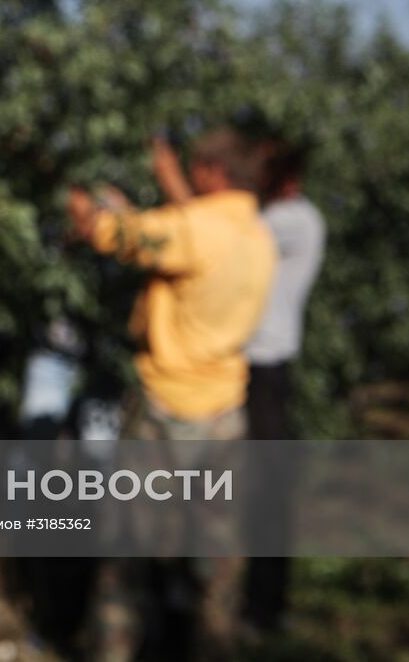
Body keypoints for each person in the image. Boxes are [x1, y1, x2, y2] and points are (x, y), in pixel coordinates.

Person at [68, 127, 277, 662]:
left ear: (210, 172)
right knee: (217, 564)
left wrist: (75, 189)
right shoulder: (258, 235)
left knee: (126, 557)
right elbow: (186, 231)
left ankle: (113, 650)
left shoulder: (193, 229)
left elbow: (108, 233)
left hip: (165, 411)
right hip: (226, 413)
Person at [242, 137, 325, 631]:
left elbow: (225, 234)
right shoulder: (281, 218)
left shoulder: (290, 221)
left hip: (265, 370)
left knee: (265, 487)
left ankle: (264, 606)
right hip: (258, 369)